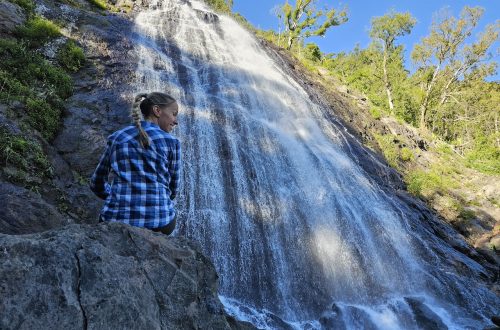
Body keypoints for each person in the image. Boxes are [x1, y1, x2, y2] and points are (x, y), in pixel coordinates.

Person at [90, 92, 181, 235]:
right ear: (157, 111)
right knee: (169, 218)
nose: (176, 121)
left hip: (116, 219)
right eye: (174, 114)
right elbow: (173, 188)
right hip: (159, 222)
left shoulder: (116, 138)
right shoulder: (171, 142)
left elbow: (97, 183)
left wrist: (114, 195)